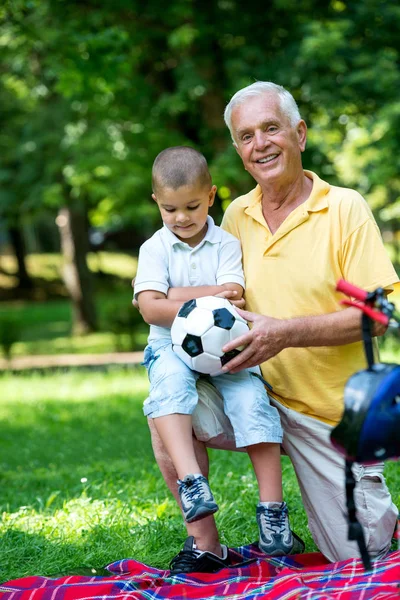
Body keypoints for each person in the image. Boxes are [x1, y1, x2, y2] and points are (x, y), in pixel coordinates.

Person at [147, 82, 399, 573]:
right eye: (246, 136)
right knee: (165, 407)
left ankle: (369, 519)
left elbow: (378, 318)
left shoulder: (344, 208)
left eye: (271, 128)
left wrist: (282, 332)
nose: (259, 143)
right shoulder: (235, 216)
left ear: (299, 134)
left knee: (365, 558)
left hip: (328, 418)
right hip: (250, 393)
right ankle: (206, 546)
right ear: (239, 152)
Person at [134, 146, 303, 571]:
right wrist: (202, 297)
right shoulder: (154, 248)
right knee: (168, 391)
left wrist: (172, 295)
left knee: (252, 401)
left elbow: (233, 297)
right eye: (170, 208)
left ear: (211, 197)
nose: (181, 217)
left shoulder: (226, 243)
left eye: (192, 206)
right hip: (170, 348)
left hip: (227, 347)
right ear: (156, 202)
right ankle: (192, 483)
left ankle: (273, 512)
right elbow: (150, 310)